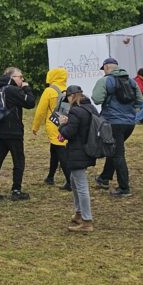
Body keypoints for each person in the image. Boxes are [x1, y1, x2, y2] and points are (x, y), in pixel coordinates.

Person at [92, 57, 142, 198]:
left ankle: (124, 188)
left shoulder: (105, 81)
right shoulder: (131, 81)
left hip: (113, 122)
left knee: (118, 154)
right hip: (129, 123)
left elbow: (97, 99)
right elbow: (140, 101)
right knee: (113, 149)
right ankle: (104, 178)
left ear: (106, 67)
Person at [0, 67, 36, 203]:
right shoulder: (12, 90)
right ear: (12, 77)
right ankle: (16, 191)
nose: (22, 79)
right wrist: (27, 88)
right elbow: (30, 102)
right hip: (13, 132)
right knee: (18, 160)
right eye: (20, 77)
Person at [57, 85, 97, 232]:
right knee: (74, 181)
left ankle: (87, 221)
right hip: (88, 148)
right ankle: (79, 213)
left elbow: (69, 133)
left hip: (77, 151)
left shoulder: (75, 111)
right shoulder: (90, 108)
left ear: (71, 96)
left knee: (81, 186)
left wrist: (62, 125)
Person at [31, 67, 70, 189]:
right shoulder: (68, 90)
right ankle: (50, 177)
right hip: (66, 124)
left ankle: (70, 182)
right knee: (54, 150)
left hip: (54, 126)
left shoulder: (49, 91)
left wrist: (35, 126)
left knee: (60, 151)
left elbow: (41, 111)